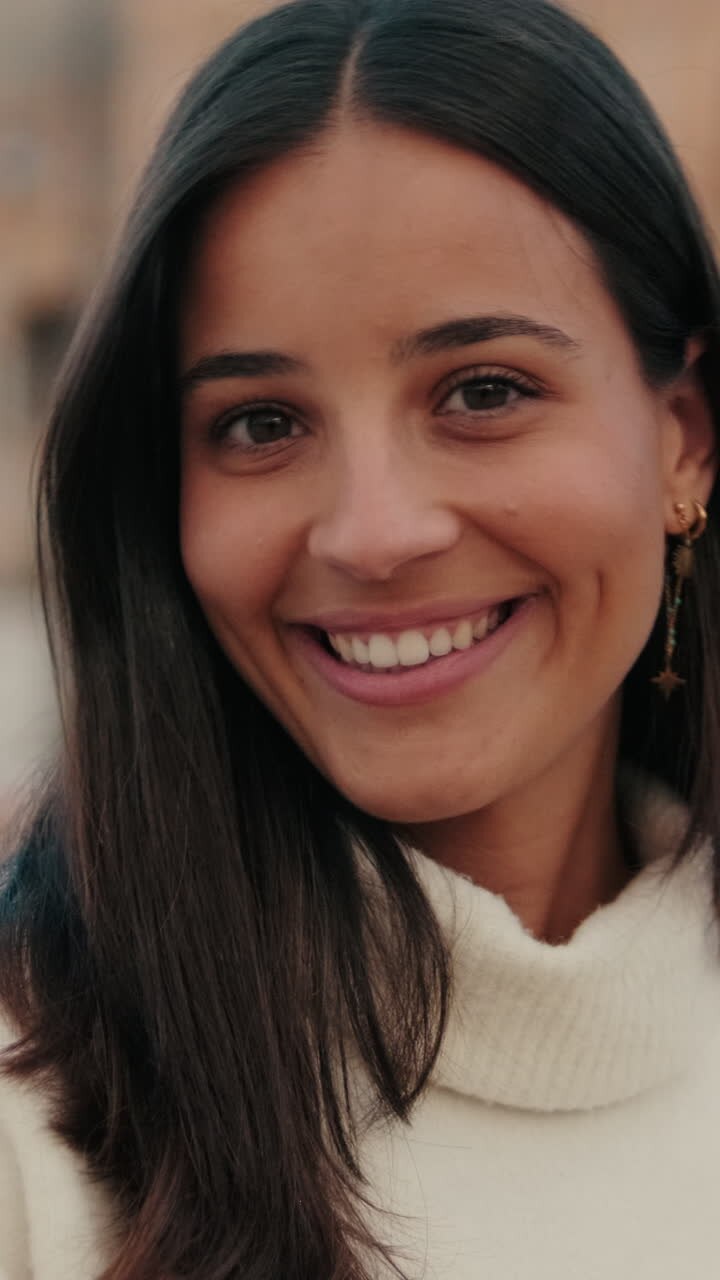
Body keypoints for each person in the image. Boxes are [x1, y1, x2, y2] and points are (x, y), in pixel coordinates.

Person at [1, 0, 719, 1275]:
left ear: (684, 440)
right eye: (261, 422)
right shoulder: (28, 1140)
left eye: (483, 391)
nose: (373, 532)